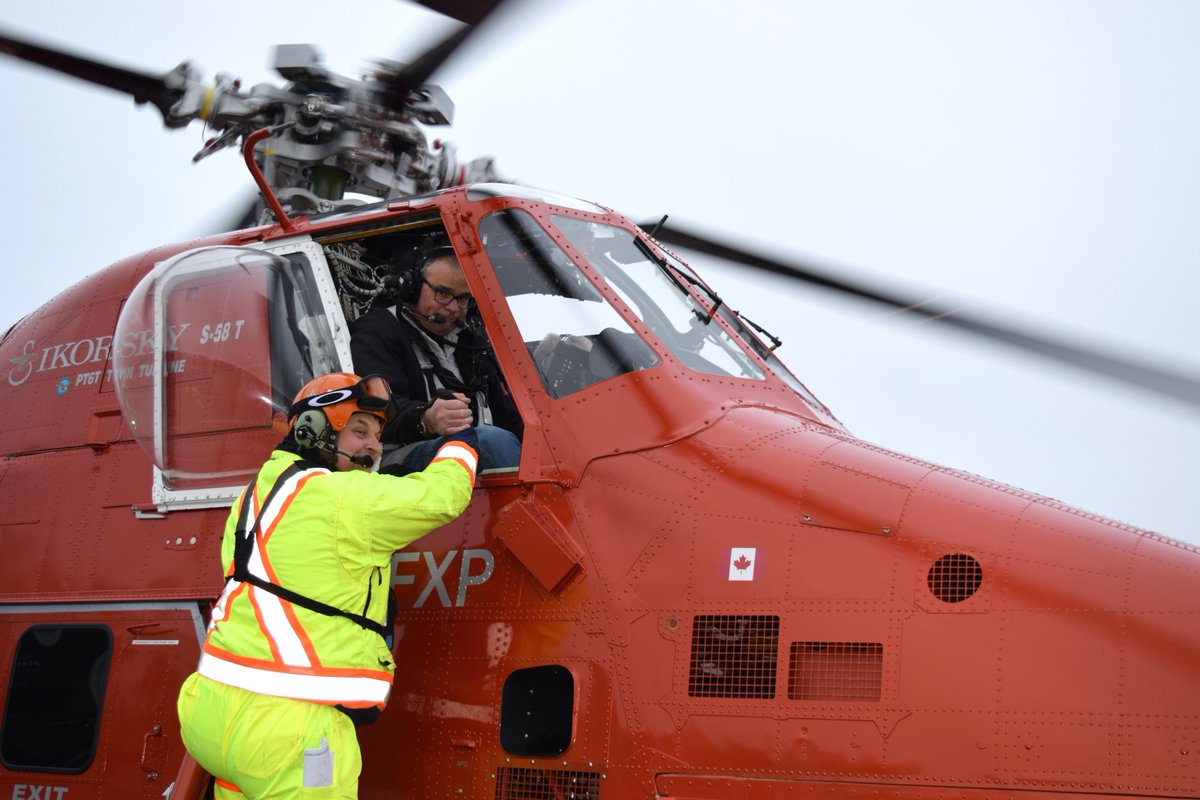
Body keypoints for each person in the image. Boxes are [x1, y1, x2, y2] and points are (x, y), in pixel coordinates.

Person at [176, 372, 478, 799]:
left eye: (377, 435)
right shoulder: (343, 497)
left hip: (209, 709)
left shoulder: (257, 490)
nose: (373, 447)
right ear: (311, 430)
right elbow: (443, 496)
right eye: (359, 431)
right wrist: (463, 444)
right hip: (290, 729)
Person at [349, 239, 523, 472]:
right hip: (396, 459)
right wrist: (426, 419)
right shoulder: (377, 333)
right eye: (443, 293)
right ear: (411, 288)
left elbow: (507, 417)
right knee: (490, 441)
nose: (453, 308)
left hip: (471, 455)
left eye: (462, 298)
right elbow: (379, 412)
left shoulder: (470, 342)